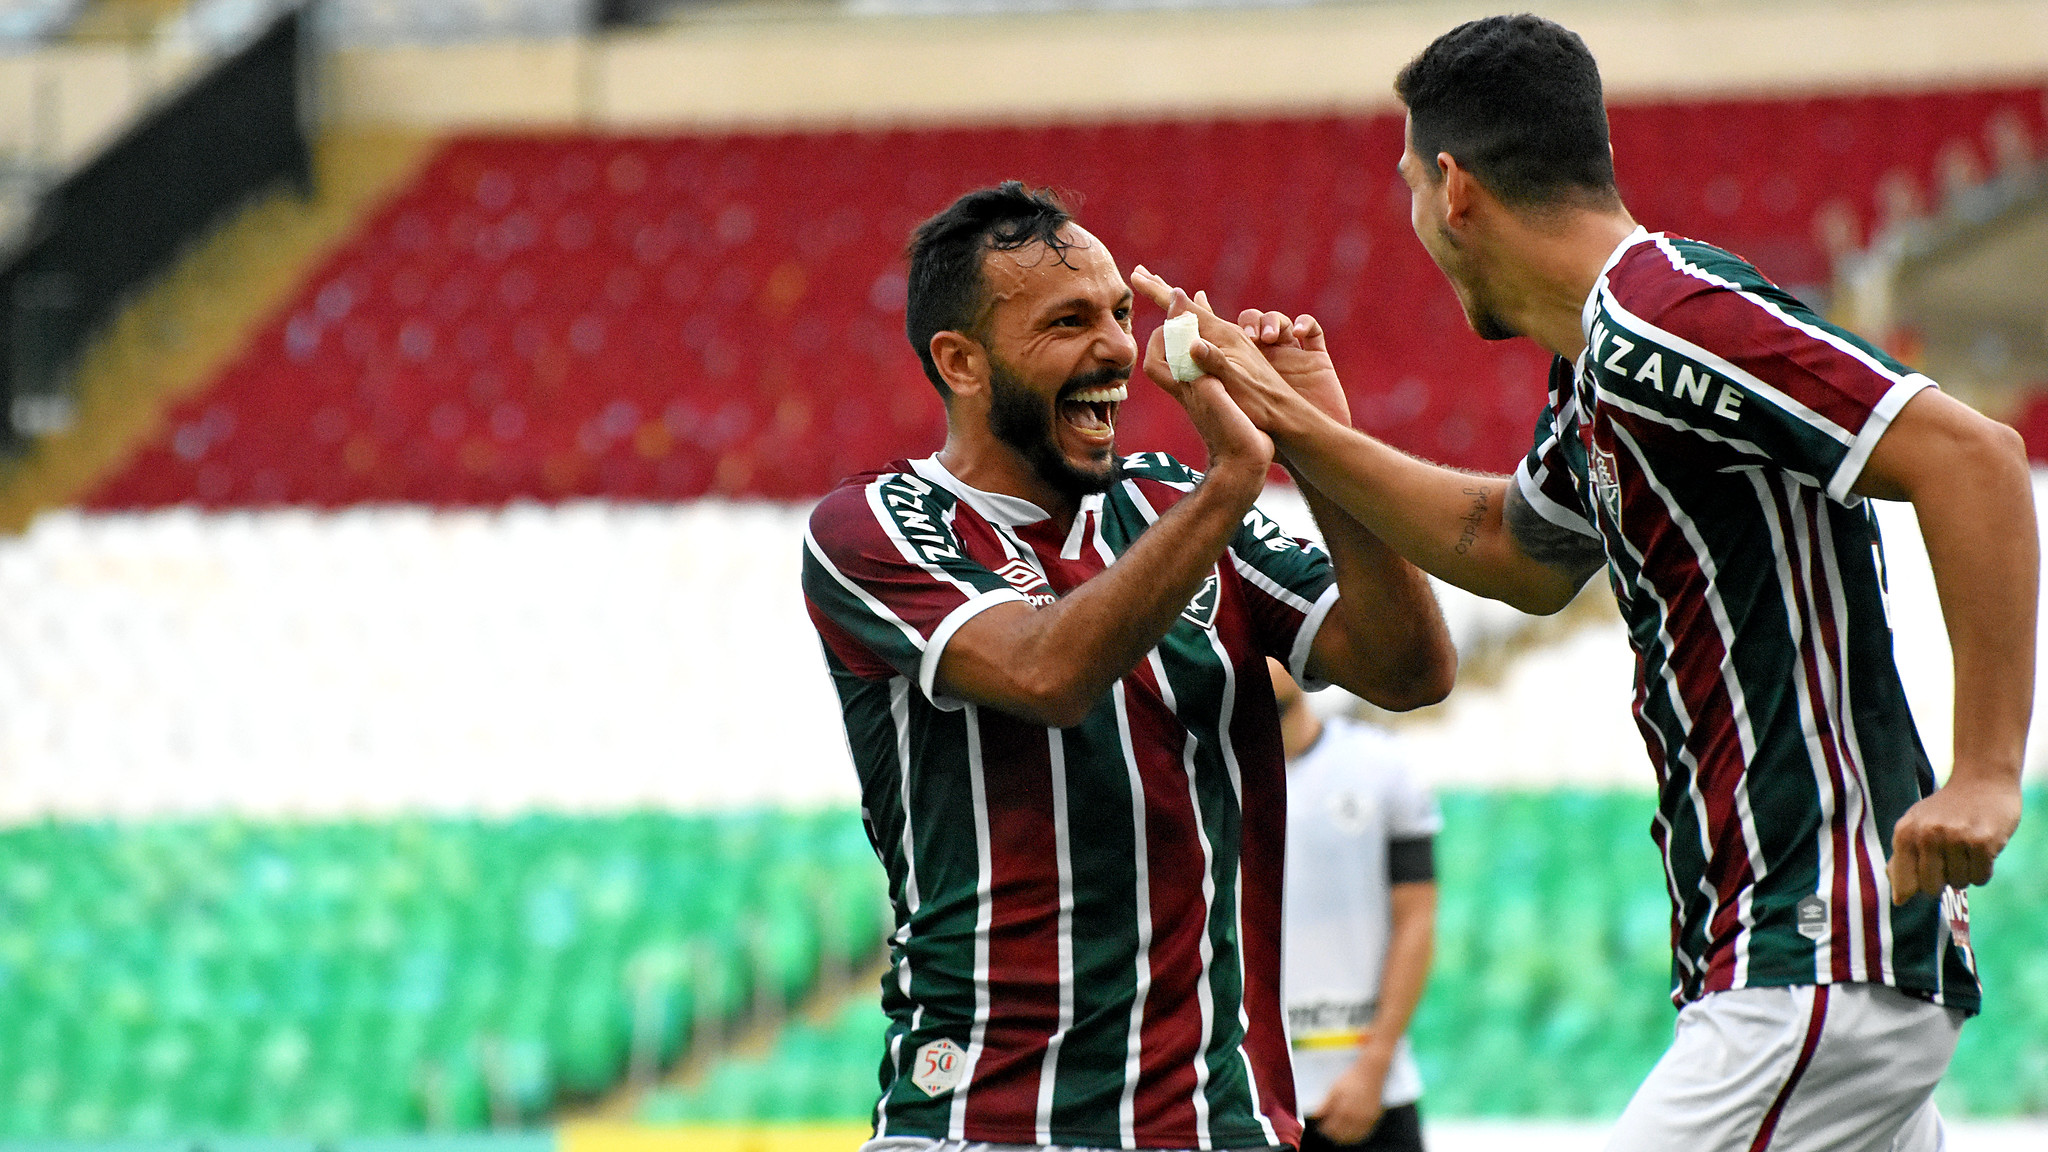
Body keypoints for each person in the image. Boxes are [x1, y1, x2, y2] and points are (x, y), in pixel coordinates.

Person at [1131, 15, 2037, 1152]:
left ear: (1452, 188)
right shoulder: (1597, 367)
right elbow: (1506, 547)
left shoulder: (1661, 311)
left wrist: (1986, 772)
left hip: (1809, 949)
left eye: (1409, 186)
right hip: (1796, 957)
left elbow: (1973, 458)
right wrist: (1302, 426)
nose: (1412, 219)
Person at [801, 182, 1457, 1150]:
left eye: (1117, 311)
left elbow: (1408, 669)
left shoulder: (1170, 502)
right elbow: (1043, 675)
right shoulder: (876, 526)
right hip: (984, 1115)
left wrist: (1324, 443)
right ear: (961, 362)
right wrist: (1235, 479)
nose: (1115, 347)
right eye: (1068, 322)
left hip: (1214, 1117)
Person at [1272, 661, 1436, 1152]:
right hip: (1242, 1096)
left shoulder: (1382, 766)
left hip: (1370, 1093)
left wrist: (1374, 1064)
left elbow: (1417, 920)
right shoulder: (1197, 776)